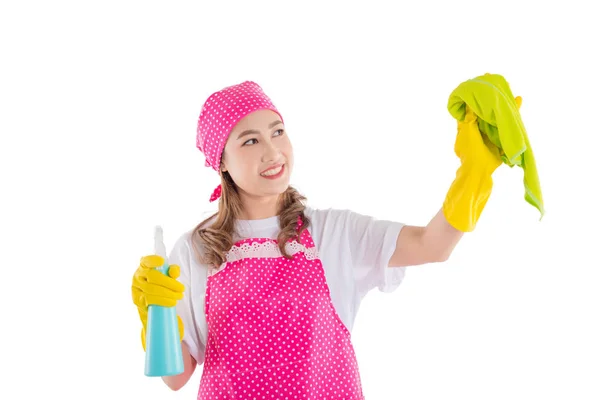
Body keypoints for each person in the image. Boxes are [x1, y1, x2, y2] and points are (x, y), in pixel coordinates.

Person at [131, 80, 502, 398]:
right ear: (221, 161)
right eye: (250, 141)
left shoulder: (332, 233)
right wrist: (155, 315)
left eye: (278, 132)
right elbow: (176, 378)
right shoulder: (196, 249)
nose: (273, 151)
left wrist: (474, 174)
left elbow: (432, 246)